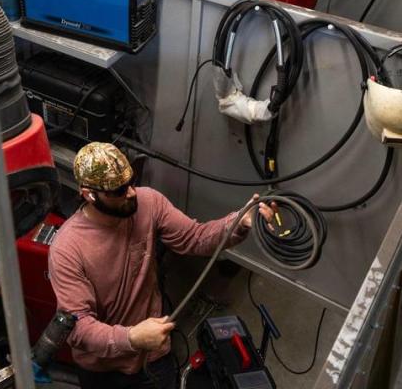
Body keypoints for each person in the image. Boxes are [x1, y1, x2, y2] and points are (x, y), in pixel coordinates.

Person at [48, 142, 276, 389]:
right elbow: (79, 328)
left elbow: (195, 238)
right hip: (105, 369)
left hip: (154, 355)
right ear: (89, 194)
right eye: (118, 190)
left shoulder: (149, 203)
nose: (132, 193)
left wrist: (237, 222)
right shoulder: (67, 248)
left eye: (131, 182)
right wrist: (132, 338)